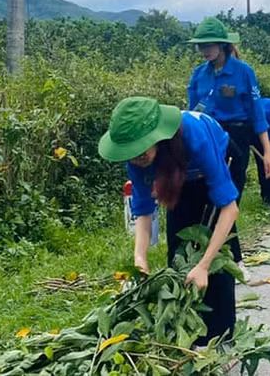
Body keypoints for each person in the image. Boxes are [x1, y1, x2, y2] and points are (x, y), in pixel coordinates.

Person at [98, 97, 239, 344]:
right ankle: (189, 332)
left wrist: (204, 265)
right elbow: (143, 211)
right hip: (177, 176)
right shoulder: (138, 160)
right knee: (179, 255)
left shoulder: (194, 137)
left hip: (220, 162)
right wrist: (139, 259)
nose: (136, 157)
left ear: (158, 137)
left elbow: (229, 209)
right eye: (130, 153)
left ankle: (223, 336)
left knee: (216, 259)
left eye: (141, 149)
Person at [186, 17, 270, 264]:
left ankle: (233, 259)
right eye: (200, 46)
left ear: (223, 45)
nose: (204, 51)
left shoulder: (243, 72)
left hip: (235, 139)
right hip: (206, 139)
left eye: (208, 46)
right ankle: (212, 256)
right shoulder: (198, 75)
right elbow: (191, 113)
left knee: (228, 198)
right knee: (205, 198)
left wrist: (267, 153)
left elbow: (257, 114)